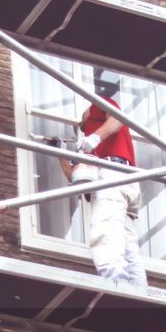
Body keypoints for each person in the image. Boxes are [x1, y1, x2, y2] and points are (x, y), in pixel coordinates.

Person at [59, 92, 148, 289]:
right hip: (126, 181)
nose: (82, 128)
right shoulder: (96, 148)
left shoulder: (96, 110)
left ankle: (117, 286)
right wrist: (61, 154)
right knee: (127, 243)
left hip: (112, 175)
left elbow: (116, 118)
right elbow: (77, 178)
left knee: (105, 232)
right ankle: (139, 288)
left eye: (84, 124)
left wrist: (94, 138)